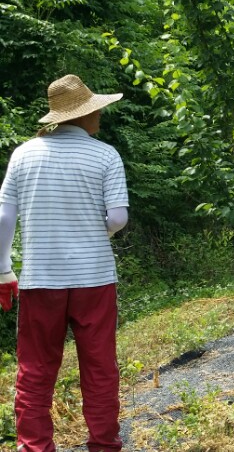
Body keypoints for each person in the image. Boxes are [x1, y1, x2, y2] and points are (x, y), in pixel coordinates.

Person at [0, 74, 129, 452]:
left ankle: (35, 446)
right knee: (100, 367)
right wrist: (92, 236)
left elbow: (5, 215)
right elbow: (118, 218)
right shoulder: (105, 155)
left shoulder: (24, 154)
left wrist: (3, 268)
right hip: (95, 279)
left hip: (41, 279)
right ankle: (104, 444)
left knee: (36, 369)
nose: (100, 115)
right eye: (96, 110)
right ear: (84, 115)